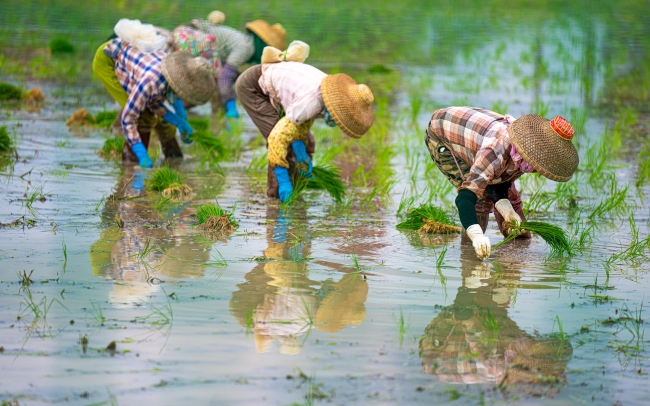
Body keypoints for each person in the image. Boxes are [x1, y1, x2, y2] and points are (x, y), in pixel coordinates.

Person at [425, 107, 578, 259]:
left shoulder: (525, 149)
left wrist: (507, 210)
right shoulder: (495, 150)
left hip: (477, 133)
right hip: (442, 135)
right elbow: (465, 196)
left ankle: (515, 253)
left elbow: (501, 177)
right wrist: (476, 234)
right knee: (481, 197)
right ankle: (470, 255)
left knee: (508, 195)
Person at [235, 41, 375, 202]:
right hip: (254, 87)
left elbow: (301, 122)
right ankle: (277, 197)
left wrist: (302, 151)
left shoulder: (328, 94)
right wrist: (284, 180)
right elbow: (277, 138)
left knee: (307, 142)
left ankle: (297, 188)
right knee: (284, 146)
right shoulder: (312, 101)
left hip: (275, 86)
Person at [92, 19, 216, 167]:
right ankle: (131, 164)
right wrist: (141, 153)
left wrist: (179, 121)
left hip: (136, 62)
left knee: (155, 116)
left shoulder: (174, 71)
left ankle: (173, 158)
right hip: (108, 59)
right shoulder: (150, 81)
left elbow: (156, 102)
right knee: (143, 116)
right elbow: (128, 119)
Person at [176, 12, 287, 117]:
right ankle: (180, 111)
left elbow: (229, 72)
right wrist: (231, 105)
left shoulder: (246, 43)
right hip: (189, 40)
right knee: (209, 87)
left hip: (195, 40)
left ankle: (182, 111)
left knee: (219, 83)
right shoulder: (246, 48)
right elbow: (225, 77)